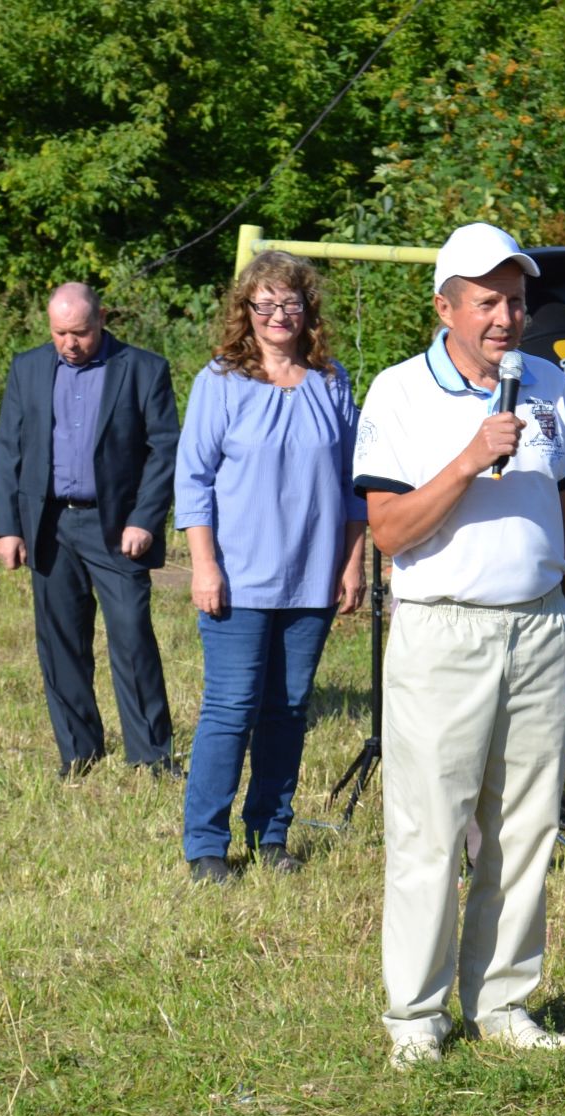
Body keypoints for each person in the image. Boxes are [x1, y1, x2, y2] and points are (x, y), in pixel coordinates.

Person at [354, 223, 565, 1069]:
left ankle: (502, 1002)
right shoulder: (397, 394)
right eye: (489, 302)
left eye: (516, 301)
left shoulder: (550, 387)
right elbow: (388, 532)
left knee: (525, 828)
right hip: (442, 628)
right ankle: (416, 1018)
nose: (507, 318)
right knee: (431, 827)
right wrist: (468, 460)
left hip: (538, 625)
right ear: (445, 307)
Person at [172, 252, 368, 883]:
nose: (279, 315)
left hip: (312, 576)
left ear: (308, 309)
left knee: (288, 711)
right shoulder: (221, 382)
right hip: (237, 579)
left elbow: (353, 483)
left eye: (291, 303)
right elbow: (193, 481)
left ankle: (270, 834)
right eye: (266, 304)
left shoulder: (332, 382)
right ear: (246, 312)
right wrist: (204, 566)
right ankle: (206, 844)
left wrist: (352, 560)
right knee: (231, 709)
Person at [0, 282, 180, 778]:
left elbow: (164, 450)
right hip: (49, 524)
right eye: (59, 333)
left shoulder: (143, 369)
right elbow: (10, 450)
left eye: (80, 333)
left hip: (115, 526)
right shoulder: (27, 369)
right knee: (60, 641)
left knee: (132, 636)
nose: (70, 343)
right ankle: (79, 752)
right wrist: (7, 527)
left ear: (101, 321)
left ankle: (152, 756)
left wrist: (145, 518)